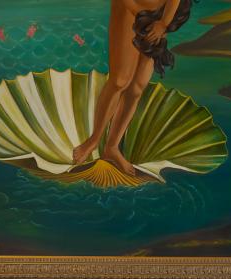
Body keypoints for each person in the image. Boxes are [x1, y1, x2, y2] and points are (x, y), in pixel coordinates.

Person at [71, 0, 193, 176]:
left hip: (159, 16)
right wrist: (145, 17)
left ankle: (112, 148)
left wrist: (163, 23)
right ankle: (94, 140)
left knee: (137, 87)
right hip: (130, 10)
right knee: (120, 80)